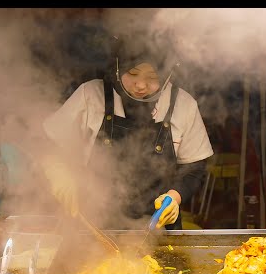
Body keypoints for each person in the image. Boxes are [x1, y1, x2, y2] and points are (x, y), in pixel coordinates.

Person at [41, 32, 214, 230]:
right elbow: (48, 144)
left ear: (167, 75)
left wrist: (174, 197)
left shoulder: (183, 105)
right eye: (132, 74)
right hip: (92, 221)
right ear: (117, 68)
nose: (141, 85)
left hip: (157, 225)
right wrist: (59, 172)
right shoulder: (90, 95)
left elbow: (194, 168)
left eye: (152, 77)